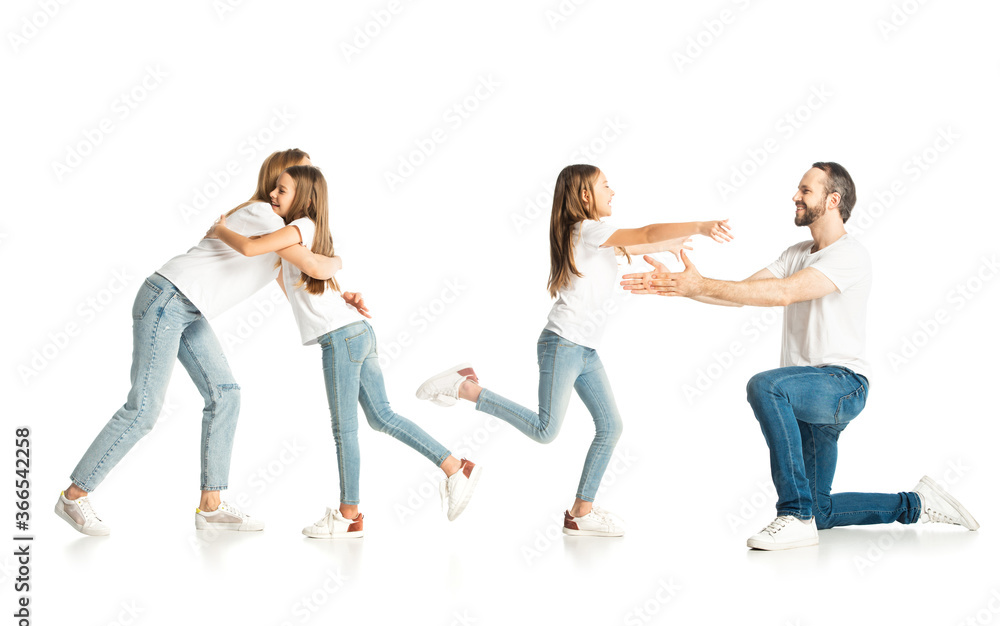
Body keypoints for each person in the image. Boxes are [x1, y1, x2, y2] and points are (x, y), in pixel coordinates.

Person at [621, 161, 979, 550]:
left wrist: (699, 284)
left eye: (805, 191)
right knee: (821, 511)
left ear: (833, 200)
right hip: (805, 393)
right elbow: (743, 293)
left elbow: (783, 293)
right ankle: (918, 504)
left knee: (765, 387)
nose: (795, 196)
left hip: (841, 385)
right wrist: (683, 286)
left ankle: (793, 514)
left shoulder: (851, 255)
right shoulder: (796, 252)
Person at [416, 164, 731, 536]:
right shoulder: (587, 229)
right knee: (545, 430)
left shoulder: (592, 235)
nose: (613, 192)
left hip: (584, 351)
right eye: (606, 185)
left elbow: (639, 242)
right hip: (562, 344)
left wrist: (671, 245)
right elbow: (644, 232)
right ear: (585, 195)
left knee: (611, 426)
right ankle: (465, 386)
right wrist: (698, 226)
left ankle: (581, 512)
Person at [55, 149, 350, 536]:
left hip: (187, 308)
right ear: (278, 178)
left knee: (225, 394)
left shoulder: (278, 239)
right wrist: (336, 261)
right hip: (169, 297)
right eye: (292, 175)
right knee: (144, 408)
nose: (293, 182)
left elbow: (300, 285)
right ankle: (74, 496)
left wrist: (344, 300)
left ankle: (211, 507)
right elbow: (314, 265)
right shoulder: (262, 215)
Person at [209, 165, 480, 538]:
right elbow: (292, 279)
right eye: (274, 189)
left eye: (282, 190)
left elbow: (252, 246)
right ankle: (455, 467)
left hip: (340, 337)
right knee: (382, 416)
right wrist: (339, 292)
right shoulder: (299, 233)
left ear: (302, 198)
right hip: (352, 329)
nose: (273, 195)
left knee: (345, 429)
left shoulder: (296, 227)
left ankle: (349, 515)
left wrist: (219, 228)